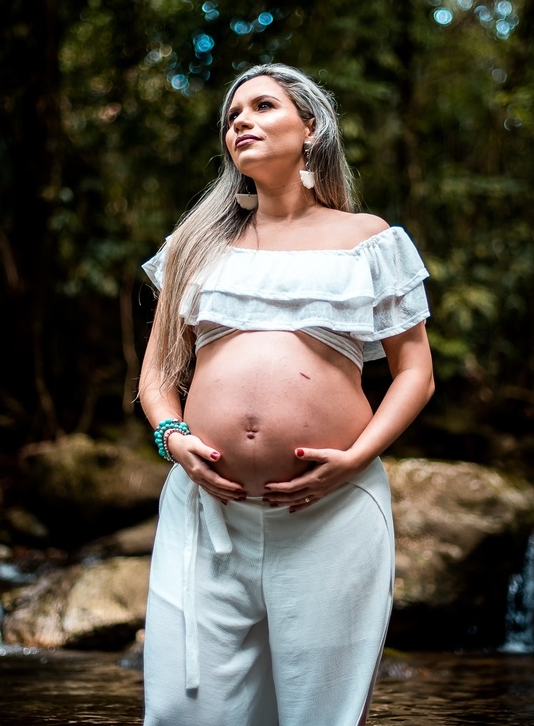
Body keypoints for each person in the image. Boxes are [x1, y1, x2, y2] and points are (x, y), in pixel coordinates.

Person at [138, 63, 434, 726]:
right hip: (205, 512)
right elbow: (157, 378)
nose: (240, 120)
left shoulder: (368, 238)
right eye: (232, 115)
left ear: (311, 128)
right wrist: (172, 437)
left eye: (263, 106)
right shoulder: (194, 244)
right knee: (182, 712)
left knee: (318, 715)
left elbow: (415, 371)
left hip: (331, 514)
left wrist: (356, 457)